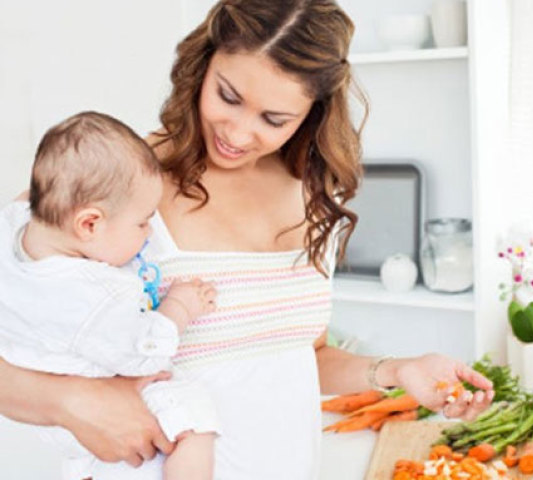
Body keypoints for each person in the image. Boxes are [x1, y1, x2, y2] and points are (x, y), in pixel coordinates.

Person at [0, 1, 495, 479]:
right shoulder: (113, 186)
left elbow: (304, 356)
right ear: (203, 65)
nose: (237, 133)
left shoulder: (311, 197)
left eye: (274, 120)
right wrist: (70, 402)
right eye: (228, 96)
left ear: (312, 114)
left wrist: (399, 371)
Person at [0, 111, 219, 480]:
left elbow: (23, 202)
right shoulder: (97, 295)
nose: (148, 233)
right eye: (142, 221)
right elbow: (145, 355)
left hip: (40, 406)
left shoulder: (11, 230)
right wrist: (180, 305)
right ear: (89, 224)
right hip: (92, 396)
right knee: (195, 416)